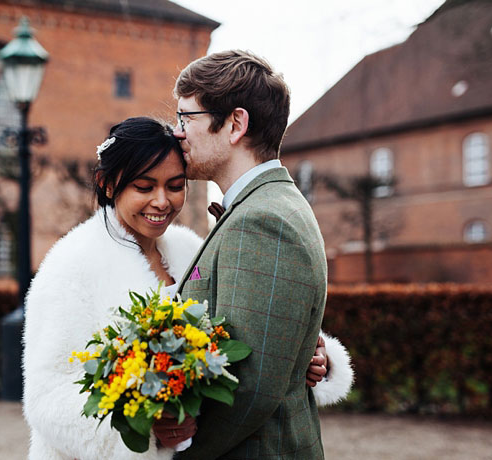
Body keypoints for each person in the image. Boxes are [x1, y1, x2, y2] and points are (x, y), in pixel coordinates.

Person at [22, 117, 353, 460]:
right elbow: (46, 399)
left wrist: (304, 356)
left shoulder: (188, 248)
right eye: (144, 187)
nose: (162, 201)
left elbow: (239, 331)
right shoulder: (71, 265)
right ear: (107, 184)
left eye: (175, 185)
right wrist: (145, 429)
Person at [158, 49, 328, 459]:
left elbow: (250, 386)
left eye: (186, 118)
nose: (178, 133)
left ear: (235, 124)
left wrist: (181, 454)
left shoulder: (263, 221)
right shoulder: (266, 206)